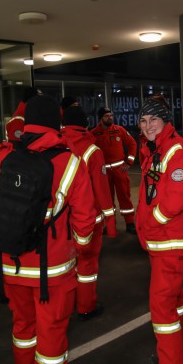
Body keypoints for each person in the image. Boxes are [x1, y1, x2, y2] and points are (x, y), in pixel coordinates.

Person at [0, 95, 96, 364]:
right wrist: (80, 248)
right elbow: (85, 220)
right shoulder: (70, 162)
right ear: (57, 124)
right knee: (51, 335)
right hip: (53, 270)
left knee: (22, 329)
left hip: (8, 263)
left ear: (26, 123)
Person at [136, 96, 183, 364]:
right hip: (163, 241)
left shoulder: (178, 151)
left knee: (161, 308)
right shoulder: (156, 149)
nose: (148, 126)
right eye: (143, 120)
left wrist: (150, 223)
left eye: (154, 120)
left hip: (170, 241)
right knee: (175, 299)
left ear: (166, 121)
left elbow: (176, 200)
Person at [61, 104, 116, 321]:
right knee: (87, 264)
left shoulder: (56, 144)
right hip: (88, 219)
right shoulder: (92, 151)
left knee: (64, 264)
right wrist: (111, 224)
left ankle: (67, 302)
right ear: (85, 125)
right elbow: (102, 191)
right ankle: (86, 305)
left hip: (59, 219)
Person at [91, 107, 138, 234]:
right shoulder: (94, 133)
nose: (110, 118)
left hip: (120, 170)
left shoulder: (119, 130)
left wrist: (129, 161)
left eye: (111, 115)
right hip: (104, 172)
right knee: (107, 200)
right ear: (101, 118)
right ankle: (111, 225)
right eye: (107, 116)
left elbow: (132, 144)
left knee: (125, 196)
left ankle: (129, 223)